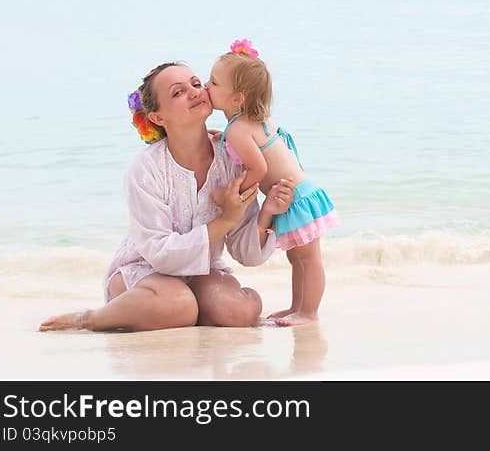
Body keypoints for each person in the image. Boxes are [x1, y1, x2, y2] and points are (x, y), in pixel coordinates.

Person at [39, 62, 295, 332]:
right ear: (158, 118)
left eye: (196, 84)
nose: (195, 92)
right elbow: (160, 253)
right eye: (178, 92)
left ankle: (196, 307)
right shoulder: (145, 169)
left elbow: (248, 255)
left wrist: (267, 212)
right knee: (179, 305)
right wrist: (225, 220)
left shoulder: (232, 159)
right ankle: (89, 318)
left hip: (201, 274)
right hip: (145, 271)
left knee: (234, 311)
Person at [206, 39, 339, 326]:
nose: (206, 86)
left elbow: (258, 167)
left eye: (214, 83)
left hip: (295, 198)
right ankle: (297, 307)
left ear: (237, 99)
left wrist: (232, 193)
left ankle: (309, 312)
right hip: (298, 194)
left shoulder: (239, 129)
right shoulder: (248, 123)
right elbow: (257, 146)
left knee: (309, 259)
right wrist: (225, 140)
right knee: (297, 260)